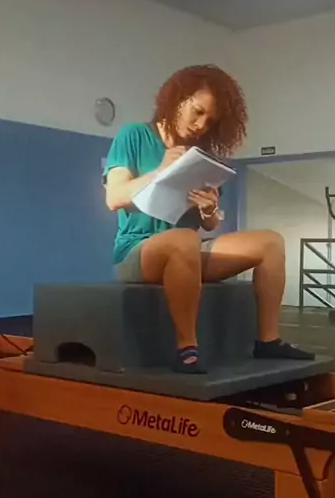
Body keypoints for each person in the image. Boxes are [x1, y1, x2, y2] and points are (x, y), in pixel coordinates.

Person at [103, 64, 314, 373]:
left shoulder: (198, 156)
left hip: (186, 252)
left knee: (271, 242)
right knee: (184, 240)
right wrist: (158, 172)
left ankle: (268, 340)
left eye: (209, 120)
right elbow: (114, 198)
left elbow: (210, 226)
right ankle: (186, 347)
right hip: (137, 251)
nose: (201, 125)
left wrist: (209, 211)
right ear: (178, 99)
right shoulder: (134, 135)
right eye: (198, 112)